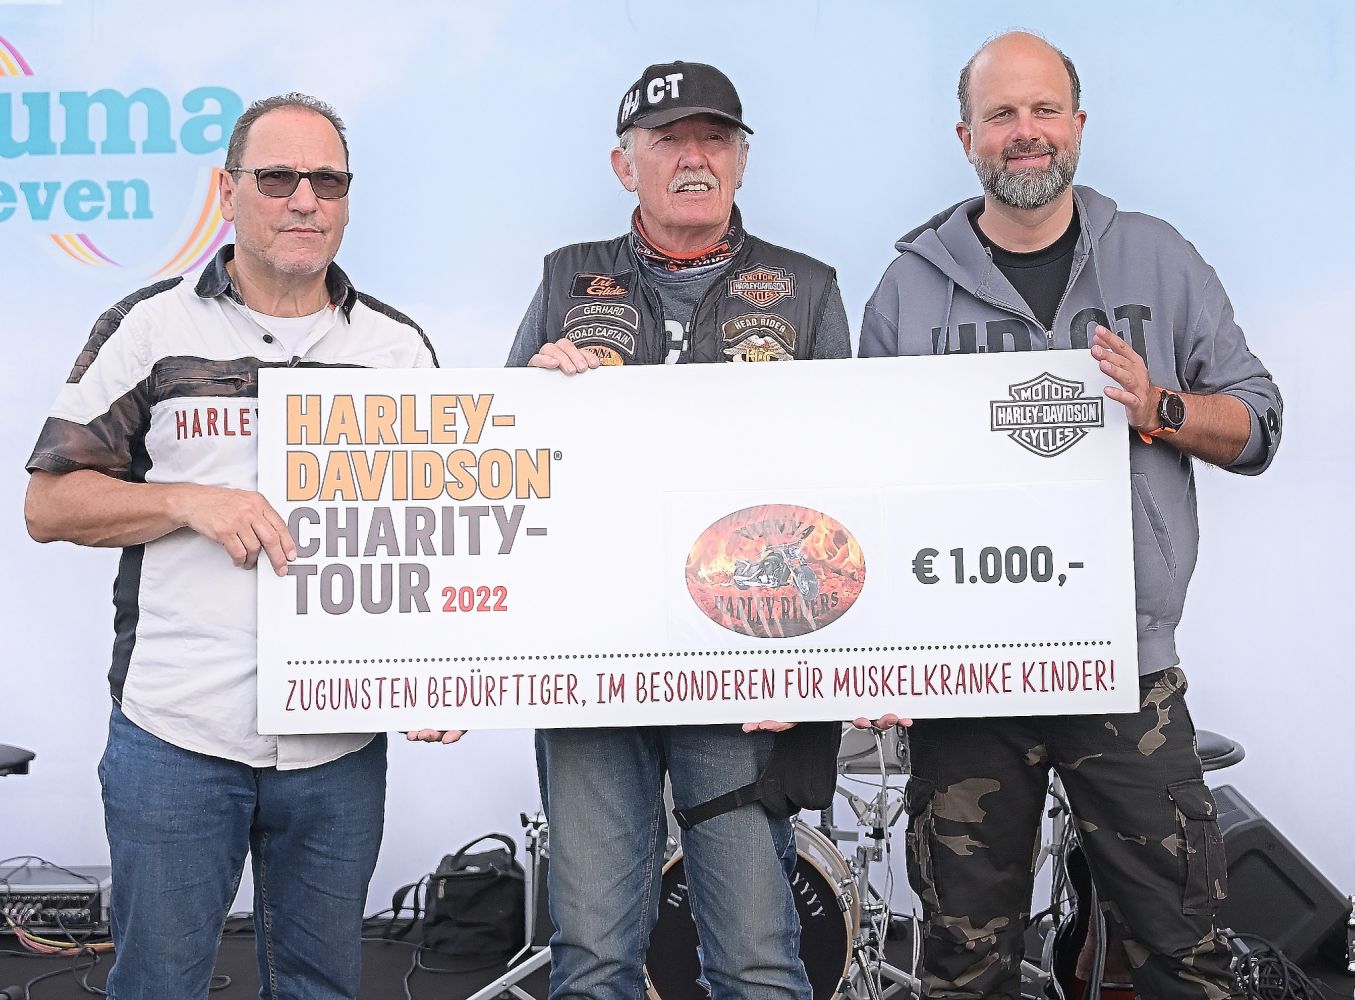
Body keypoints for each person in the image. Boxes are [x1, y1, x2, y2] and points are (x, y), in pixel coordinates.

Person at [858, 32, 1282, 1000]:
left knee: (1181, 952)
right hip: (966, 680)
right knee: (962, 969)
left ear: (1078, 125)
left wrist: (1155, 407)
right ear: (964, 136)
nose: (1025, 132)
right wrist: (875, 651)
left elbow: (1257, 425)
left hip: (1122, 669)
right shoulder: (906, 289)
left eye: (1043, 110)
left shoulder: (1156, 257)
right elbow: (867, 489)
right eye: (1001, 114)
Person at [24, 93, 437, 1000]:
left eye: (326, 181)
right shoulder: (151, 327)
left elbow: (435, 535)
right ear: (227, 191)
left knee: (323, 987)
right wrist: (185, 501)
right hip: (177, 732)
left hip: (335, 741)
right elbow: (48, 504)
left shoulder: (396, 350)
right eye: (277, 177)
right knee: (158, 986)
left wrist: (436, 671)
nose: (304, 200)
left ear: (347, 198)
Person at [510, 60, 849, 1000]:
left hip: (741, 658)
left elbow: (846, 487)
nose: (693, 158)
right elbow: (505, 465)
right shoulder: (563, 278)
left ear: (741, 159)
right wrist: (535, 392)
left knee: (756, 957)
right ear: (625, 165)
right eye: (668, 141)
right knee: (592, 956)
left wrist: (820, 667)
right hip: (592, 657)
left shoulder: (807, 287)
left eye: (714, 139)